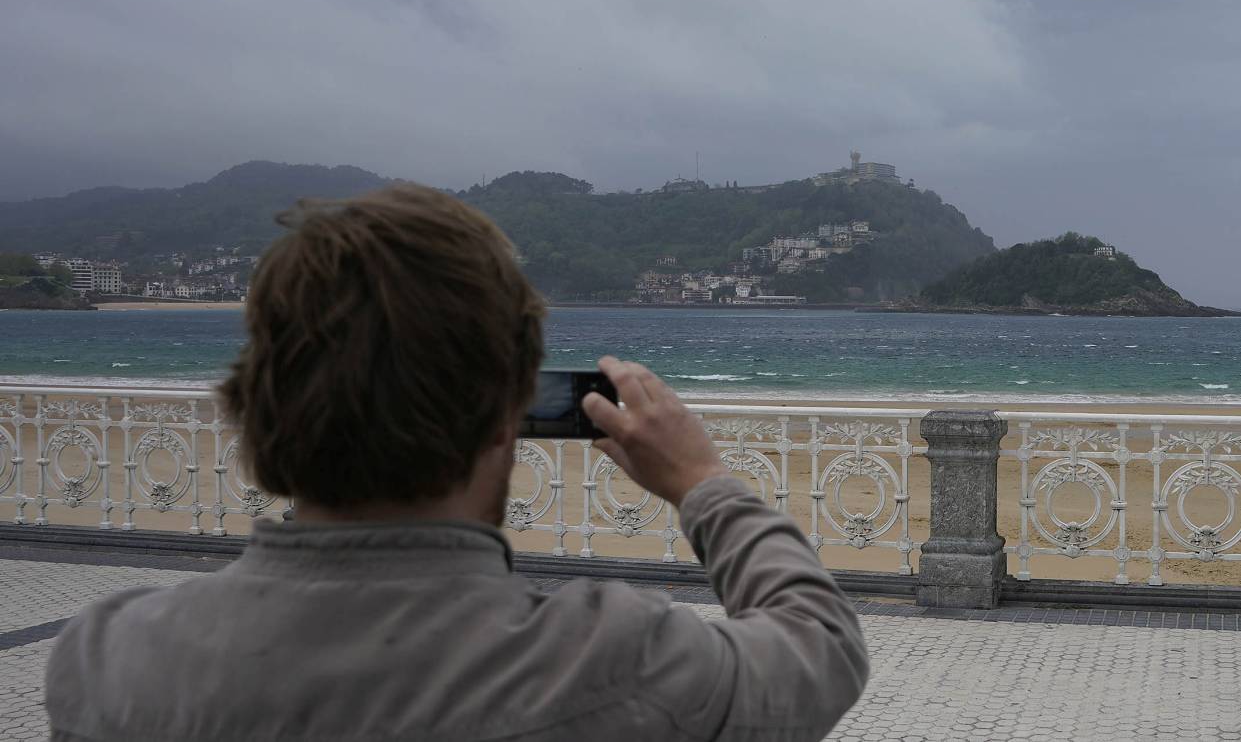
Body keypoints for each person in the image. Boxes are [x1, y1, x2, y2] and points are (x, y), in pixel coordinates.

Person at [44, 184, 868, 741]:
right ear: (507, 406)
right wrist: (701, 483)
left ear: (260, 396)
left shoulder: (106, 660)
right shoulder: (614, 661)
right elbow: (818, 645)